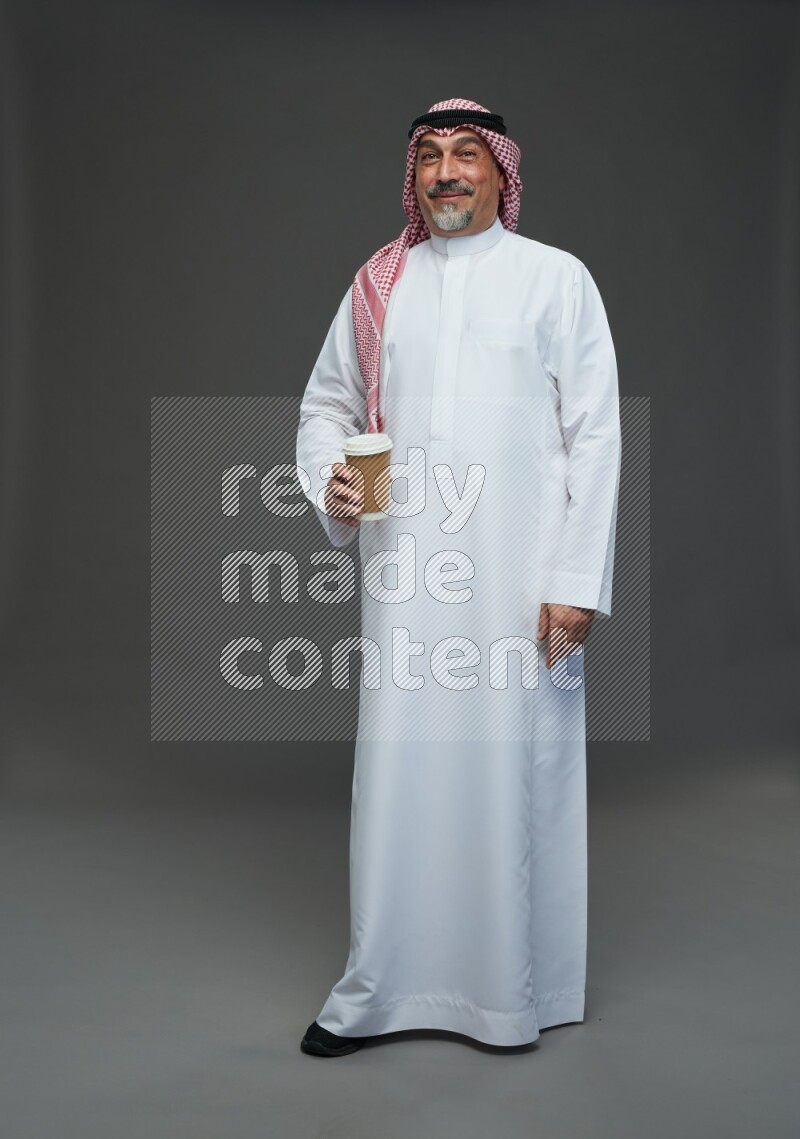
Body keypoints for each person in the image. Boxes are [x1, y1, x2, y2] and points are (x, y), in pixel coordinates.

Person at [295, 98, 621, 1057]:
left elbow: (595, 435)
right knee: (400, 777)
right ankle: (383, 987)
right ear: (413, 174)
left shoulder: (555, 280)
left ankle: (515, 992)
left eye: (466, 155)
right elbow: (328, 406)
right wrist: (334, 482)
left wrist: (575, 580)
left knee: (517, 775)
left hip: (524, 588)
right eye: (430, 155)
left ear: (500, 171)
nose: (446, 172)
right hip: (409, 580)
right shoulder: (378, 287)